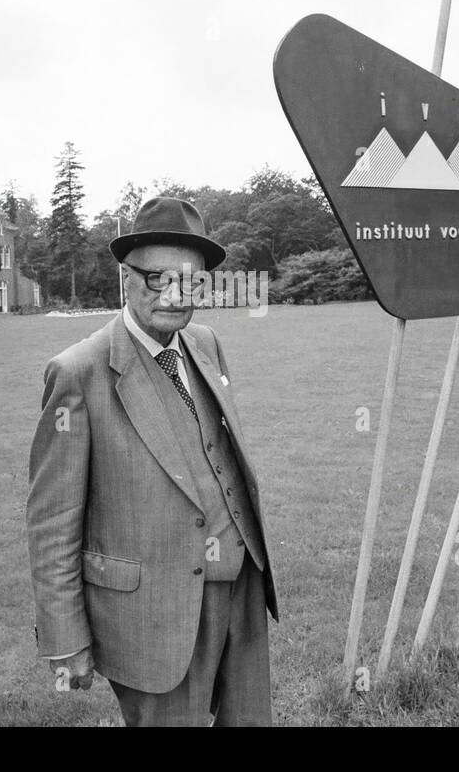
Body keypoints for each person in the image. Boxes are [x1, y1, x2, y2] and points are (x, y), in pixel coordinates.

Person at [26, 196, 277, 726]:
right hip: (153, 616)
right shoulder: (78, 373)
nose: (174, 293)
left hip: (242, 589)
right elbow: (52, 521)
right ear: (126, 277)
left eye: (189, 280)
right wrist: (66, 638)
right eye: (157, 277)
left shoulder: (205, 343)